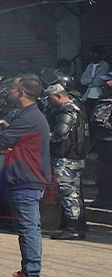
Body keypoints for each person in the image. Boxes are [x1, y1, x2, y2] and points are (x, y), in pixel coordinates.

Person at [0, 75, 52, 277]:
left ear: (22, 93)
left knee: (28, 229)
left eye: (13, 88)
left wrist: (0, 129)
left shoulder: (29, 117)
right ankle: (28, 271)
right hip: (24, 177)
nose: (10, 91)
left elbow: (1, 140)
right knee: (26, 228)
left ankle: (32, 275)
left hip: (27, 179)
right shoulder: (27, 115)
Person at [47, 83, 90, 241]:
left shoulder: (67, 111)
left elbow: (60, 134)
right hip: (75, 156)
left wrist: (41, 137)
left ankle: (73, 229)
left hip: (67, 158)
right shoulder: (78, 108)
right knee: (74, 193)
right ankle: (76, 226)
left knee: (68, 193)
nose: (49, 103)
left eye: (50, 99)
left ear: (59, 96)